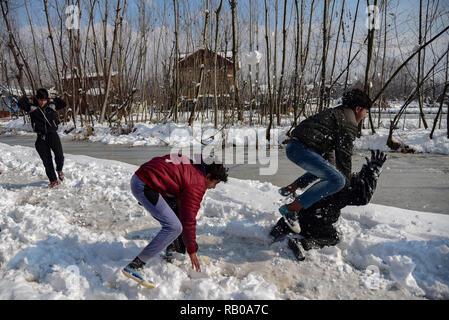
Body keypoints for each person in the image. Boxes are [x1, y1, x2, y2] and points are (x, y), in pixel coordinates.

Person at [122, 154, 228, 287]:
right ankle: (135, 265)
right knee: (174, 227)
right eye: (215, 183)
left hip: (142, 178)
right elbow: (189, 219)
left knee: (177, 208)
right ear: (208, 176)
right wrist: (191, 249)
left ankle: (170, 248)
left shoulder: (192, 164)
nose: (213, 187)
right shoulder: (197, 182)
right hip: (145, 186)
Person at [278, 89, 373, 234]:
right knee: (338, 181)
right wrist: (346, 185)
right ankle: (292, 209)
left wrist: (336, 171)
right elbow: (345, 156)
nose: (365, 116)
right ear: (358, 109)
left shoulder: (337, 114)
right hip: (302, 149)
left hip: (295, 147)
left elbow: (329, 152)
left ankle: (292, 187)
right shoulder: (349, 121)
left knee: (331, 171)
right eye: (366, 112)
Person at [271, 150, 387, 251]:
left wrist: (294, 186)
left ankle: (282, 227)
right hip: (317, 220)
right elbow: (364, 198)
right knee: (334, 237)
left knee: (310, 213)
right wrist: (373, 175)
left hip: (301, 212)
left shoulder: (334, 175)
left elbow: (311, 174)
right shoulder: (346, 186)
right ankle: (303, 244)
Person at [17, 88, 66, 188]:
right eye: (40, 100)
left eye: (44, 100)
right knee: (47, 161)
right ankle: (53, 180)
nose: (42, 102)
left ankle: (59, 169)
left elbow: (63, 104)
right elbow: (20, 103)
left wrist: (51, 98)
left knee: (59, 155)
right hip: (40, 137)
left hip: (52, 135)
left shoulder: (52, 105)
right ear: (37, 98)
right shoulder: (32, 107)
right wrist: (28, 97)